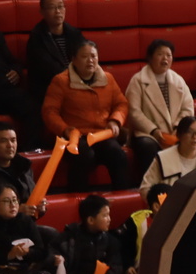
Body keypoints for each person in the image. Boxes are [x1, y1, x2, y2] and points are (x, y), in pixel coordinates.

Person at [42, 43, 130, 194]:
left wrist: (115, 120)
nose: (90, 60)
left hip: (101, 134)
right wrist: (65, 130)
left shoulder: (108, 79)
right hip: (74, 137)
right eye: (85, 57)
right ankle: (77, 198)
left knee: (118, 155)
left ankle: (124, 199)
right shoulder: (61, 81)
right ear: (74, 59)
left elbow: (121, 104)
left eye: (93, 56)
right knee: (84, 156)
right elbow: (49, 111)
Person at [124, 40, 193, 177]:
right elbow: (133, 112)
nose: (165, 58)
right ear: (150, 58)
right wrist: (153, 130)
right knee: (147, 145)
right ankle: (151, 184)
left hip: (175, 132)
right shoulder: (138, 80)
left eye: (168, 55)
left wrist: (178, 127)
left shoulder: (178, 80)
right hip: (147, 134)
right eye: (160, 54)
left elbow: (188, 108)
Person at [138, 116, 196, 192]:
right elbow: (145, 188)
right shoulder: (163, 158)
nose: (194, 137)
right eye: (189, 132)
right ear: (179, 135)